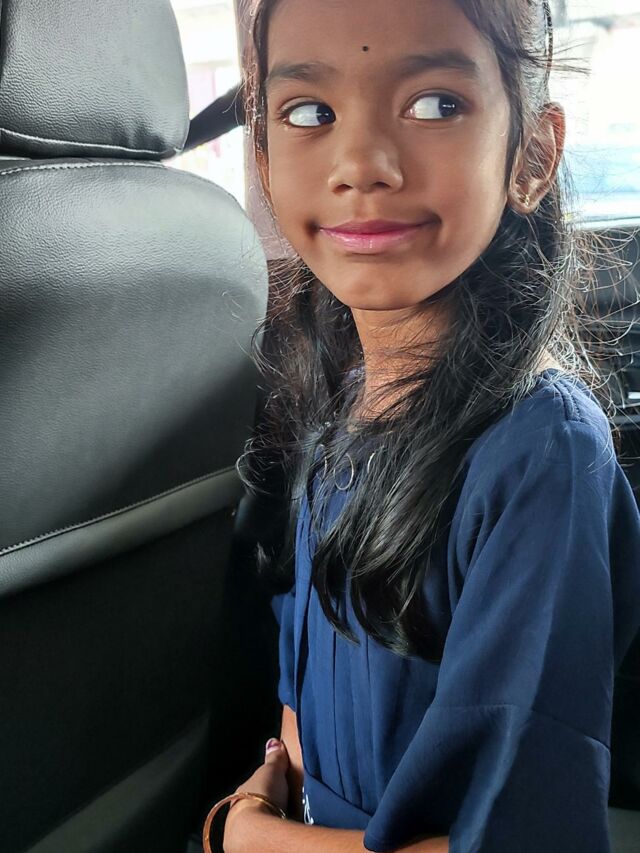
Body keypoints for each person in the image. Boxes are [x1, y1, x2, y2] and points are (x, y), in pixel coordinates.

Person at [214, 0, 640, 851]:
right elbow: (299, 697)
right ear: (264, 160)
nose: (361, 164)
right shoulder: (341, 410)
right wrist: (275, 793)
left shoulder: (543, 455)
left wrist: (246, 835)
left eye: (437, 104)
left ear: (533, 155)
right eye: (310, 113)